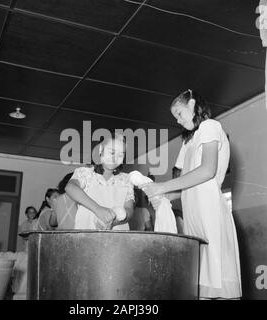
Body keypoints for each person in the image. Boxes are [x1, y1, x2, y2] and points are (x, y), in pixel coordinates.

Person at [141, 89, 241, 299]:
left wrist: (163, 187)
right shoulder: (189, 141)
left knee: (220, 285)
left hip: (211, 215)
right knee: (202, 288)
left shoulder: (209, 126)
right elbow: (189, 187)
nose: (177, 120)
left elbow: (207, 171)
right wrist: (164, 196)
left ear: (193, 104)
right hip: (195, 219)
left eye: (179, 113)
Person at [65, 133, 134, 230]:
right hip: (86, 236)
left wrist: (114, 222)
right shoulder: (86, 173)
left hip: (118, 238)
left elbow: (129, 210)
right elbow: (70, 187)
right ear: (101, 149)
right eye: (112, 152)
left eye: (121, 154)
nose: (115, 158)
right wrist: (98, 209)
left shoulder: (126, 179)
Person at [171, 166, 184, 234]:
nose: (177, 178)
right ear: (172, 176)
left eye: (179, 175)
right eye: (175, 175)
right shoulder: (168, 190)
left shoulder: (186, 190)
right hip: (171, 222)